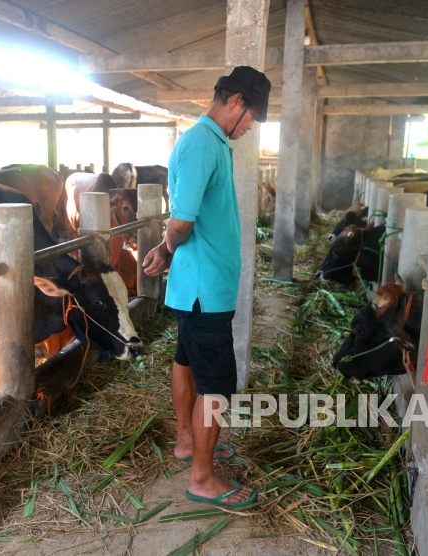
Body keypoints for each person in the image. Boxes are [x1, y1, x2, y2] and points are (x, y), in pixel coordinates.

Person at [142, 66, 271, 507]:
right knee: (216, 383)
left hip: (198, 283)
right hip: (204, 288)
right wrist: (168, 243)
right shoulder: (201, 144)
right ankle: (201, 476)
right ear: (235, 101)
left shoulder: (211, 143)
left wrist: (167, 249)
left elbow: (184, 222)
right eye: (252, 114)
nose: (251, 124)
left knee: (187, 362)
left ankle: (186, 442)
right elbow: (181, 220)